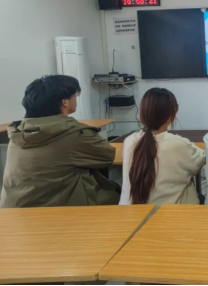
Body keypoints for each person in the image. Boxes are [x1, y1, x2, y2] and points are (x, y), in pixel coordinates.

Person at [0, 75, 120, 208]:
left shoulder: (18, 132)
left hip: (13, 209)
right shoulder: (75, 134)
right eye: (75, 95)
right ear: (65, 102)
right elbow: (107, 157)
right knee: (118, 195)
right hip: (60, 210)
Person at [120, 88, 206, 206]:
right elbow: (200, 161)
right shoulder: (178, 144)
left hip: (130, 214)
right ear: (171, 116)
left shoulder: (129, 141)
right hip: (170, 214)